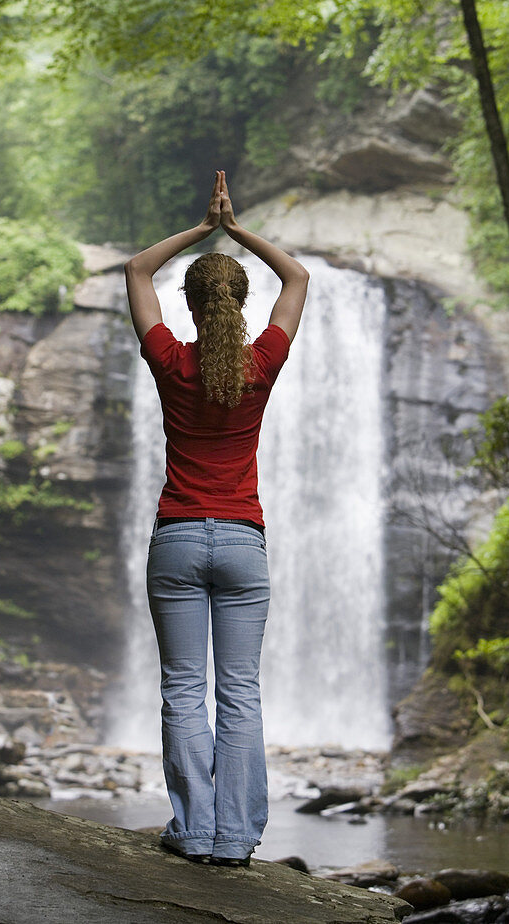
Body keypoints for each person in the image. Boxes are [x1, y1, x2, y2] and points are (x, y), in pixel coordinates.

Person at [124, 170, 309, 866]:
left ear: (193, 306)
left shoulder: (170, 360)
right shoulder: (261, 364)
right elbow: (297, 279)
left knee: (182, 689)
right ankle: (233, 838)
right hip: (241, 542)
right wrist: (237, 231)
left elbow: (137, 267)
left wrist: (202, 229)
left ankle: (193, 830)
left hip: (175, 539)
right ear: (240, 305)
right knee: (238, 691)